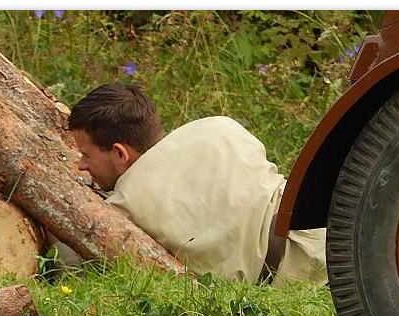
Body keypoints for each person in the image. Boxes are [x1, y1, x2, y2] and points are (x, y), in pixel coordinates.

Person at [67, 83, 327, 285]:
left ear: (119, 153)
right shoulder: (219, 127)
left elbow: (71, 261)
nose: (81, 165)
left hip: (293, 278)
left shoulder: (125, 206)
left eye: (86, 154)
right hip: (325, 229)